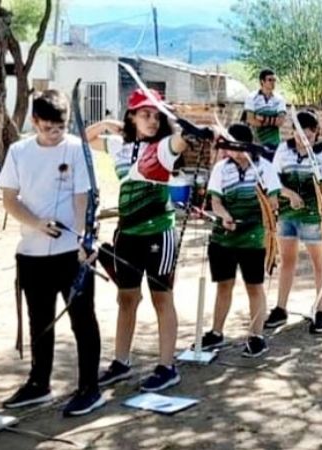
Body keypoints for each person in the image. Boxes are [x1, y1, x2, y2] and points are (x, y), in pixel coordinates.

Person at [0, 90, 104, 416]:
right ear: (34, 122)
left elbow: (82, 198)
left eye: (60, 128)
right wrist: (37, 223)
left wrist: (85, 239)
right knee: (39, 320)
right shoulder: (18, 151)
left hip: (71, 253)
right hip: (31, 252)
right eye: (47, 129)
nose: (55, 134)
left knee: (82, 320)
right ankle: (38, 384)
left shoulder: (76, 149)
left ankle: (89, 388)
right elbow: (10, 199)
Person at [87, 88, 197, 392]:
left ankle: (166, 367)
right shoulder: (119, 147)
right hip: (127, 233)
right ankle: (121, 362)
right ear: (132, 117)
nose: (151, 120)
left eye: (155, 115)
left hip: (158, 233)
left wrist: (189, 131)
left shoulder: (162, 146)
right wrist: (109, 125)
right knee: (127, 299)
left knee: (162, 299)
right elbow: (86, 138)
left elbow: (179, 142)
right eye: (144, 114)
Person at [197, 124, 299, 357]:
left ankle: (256, 336)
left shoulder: (265, 167)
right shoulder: (221, 168)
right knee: (224, 285)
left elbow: (272, 203)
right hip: (224, 236)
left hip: (253, 237)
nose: (233, 152)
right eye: (230, 147)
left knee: (254, 286)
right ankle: (216, 332)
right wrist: (225, 217)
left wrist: (266, 199)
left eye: (237, 147)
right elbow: (216, 202)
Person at [264, 111, 322, 334]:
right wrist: (289, 195)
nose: (303, 135)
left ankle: (321, 310)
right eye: (298, 130)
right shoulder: (283, 150)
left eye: (308, 131)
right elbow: (273, 180)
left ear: (315, 133)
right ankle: (280, 308)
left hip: (313, 216)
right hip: (287, 214)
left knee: (319, 262)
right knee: (287, 261)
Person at [243, 69, 287, 161]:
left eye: (274, 80)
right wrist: (272, 121)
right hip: (257, 142)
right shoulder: (252, 98)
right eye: (270, 80)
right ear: (262, 81)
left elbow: (280, 122)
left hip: (274, 143)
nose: (273, 83)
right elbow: (251, 120)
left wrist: (262, 118)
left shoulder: (279, 99)